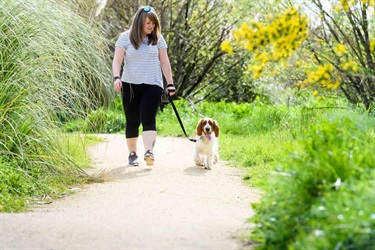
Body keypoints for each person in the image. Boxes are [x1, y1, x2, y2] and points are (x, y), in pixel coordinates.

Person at [112, 6, 176, 166]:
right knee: (132, 120)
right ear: (140, 22)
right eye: (148, 23)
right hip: (130, 85)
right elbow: (117, 60)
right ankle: (132, 154)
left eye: (154, 24)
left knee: (148, 118)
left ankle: (149, 152)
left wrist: (170, 83)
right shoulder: (125, 38)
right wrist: (116, 77)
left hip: (152, 84)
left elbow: (164, 61)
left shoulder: (159, 39)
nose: (151, 27)